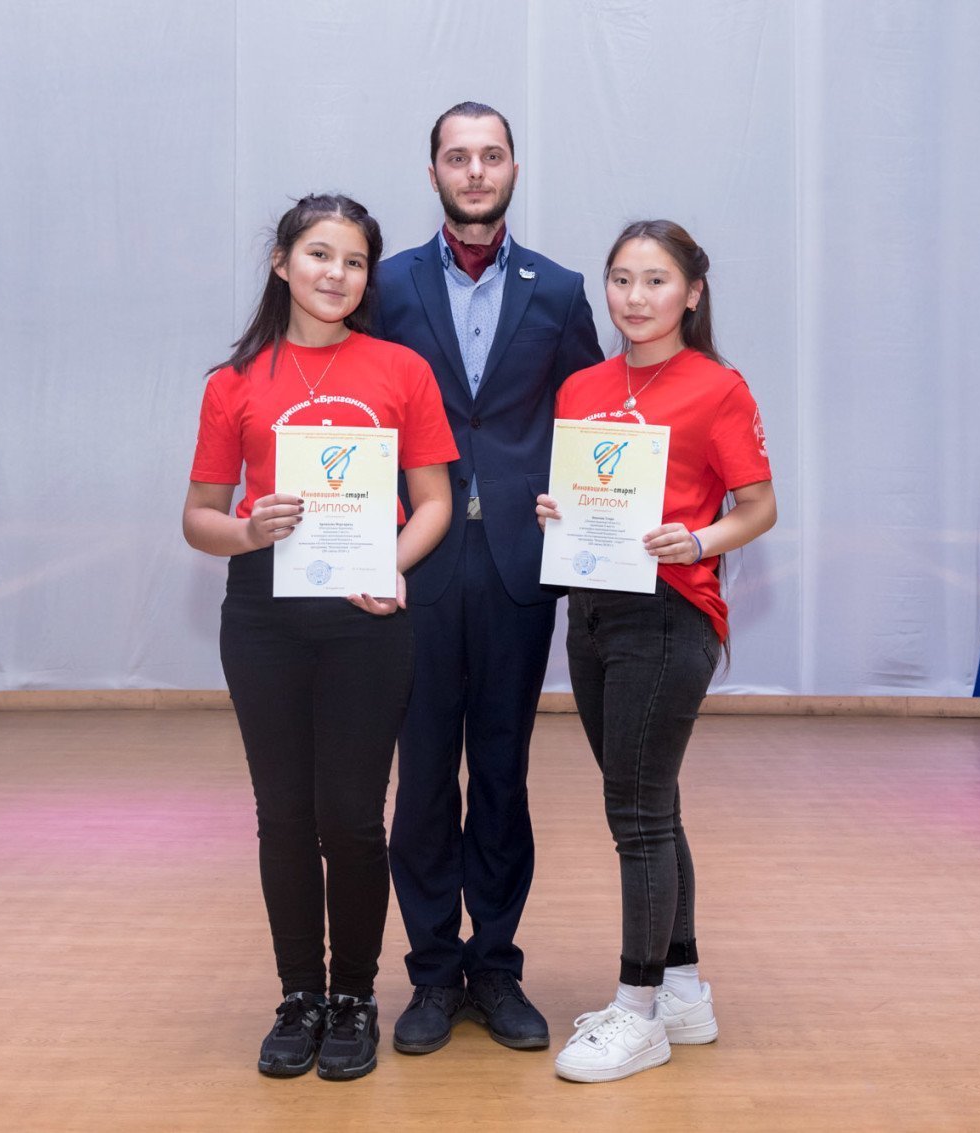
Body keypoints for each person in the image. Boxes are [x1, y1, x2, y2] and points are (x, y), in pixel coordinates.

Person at [184, 194, 456, 1081]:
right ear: (282, 262)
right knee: (284, 817)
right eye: (319, 254)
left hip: (365, 621)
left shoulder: (401, 369)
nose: (336, 273)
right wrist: (247, 528)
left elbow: (435, 501)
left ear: (368, 277)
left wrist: (391, 565)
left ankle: (355, 996)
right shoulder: (234, 382)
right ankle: (298, 994)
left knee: (352, 817)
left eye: (354, 261)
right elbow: (198, 517)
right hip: (263, 617)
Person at [373, 102, 603, 1055]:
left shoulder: (562, 290)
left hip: (519, 565)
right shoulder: (384, 284)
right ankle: (433, 975)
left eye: (492, 155)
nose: (475, 171)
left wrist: (602, 523)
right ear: (432, 171)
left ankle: (496, 967)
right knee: (424, 775)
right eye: (458, 156)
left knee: (502, 774)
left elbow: (592, 417)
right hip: (414, 557)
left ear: (514, 168)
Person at [535, 220, 777, 1083]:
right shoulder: (582, 387)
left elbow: (759, 505)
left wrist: (699, 538)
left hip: (670, 615)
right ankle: (680, 989)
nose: (636, 298)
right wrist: (557, 511)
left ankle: (636, 1012)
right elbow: (582, 494)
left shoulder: (718, 387)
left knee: (635, 815)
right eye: (621, 280)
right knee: (652, 805)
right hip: (593, 611)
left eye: (656, 280)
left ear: (693, 292)